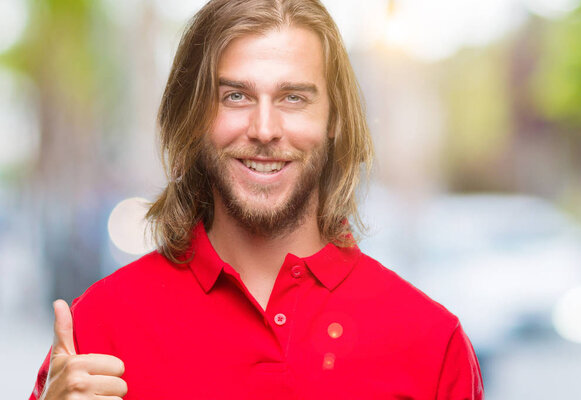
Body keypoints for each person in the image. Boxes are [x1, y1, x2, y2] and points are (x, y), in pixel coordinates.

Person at [31, 0, 484, 399]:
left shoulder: (431, 343)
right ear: (192, 117)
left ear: (335, 121)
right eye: (235, 96)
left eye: (293, 98)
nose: (264, 129)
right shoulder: (98, 329)